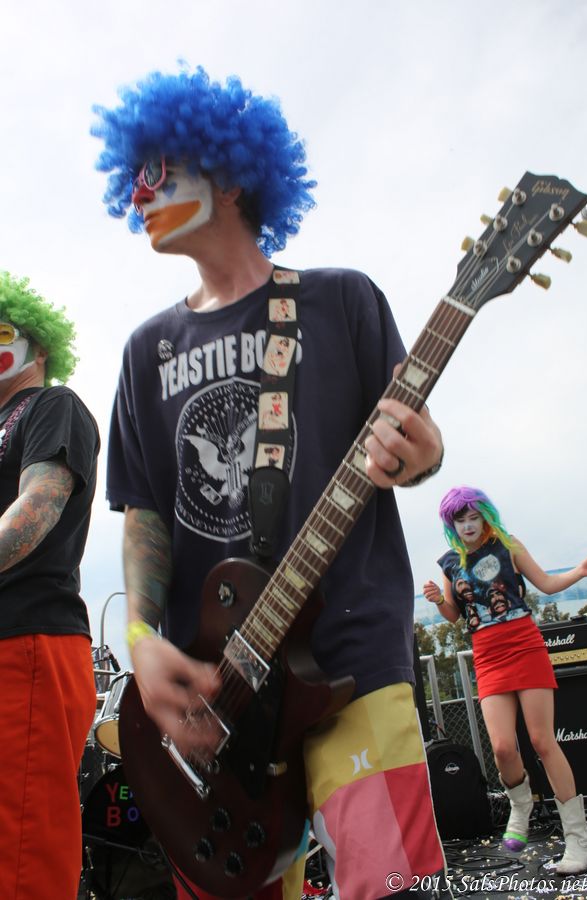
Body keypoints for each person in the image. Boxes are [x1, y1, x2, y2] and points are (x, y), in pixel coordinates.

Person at [92, 65, 447, 900]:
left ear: (230, 173)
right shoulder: (145, 352)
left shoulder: (342, 301)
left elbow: (419, 445)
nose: (138, 193)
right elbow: (143, 514)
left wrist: (424, 454)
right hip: (215, 698)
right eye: (131, 177)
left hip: (351, 652)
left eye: (159, 171)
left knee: (386, 883)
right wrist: (141, 640)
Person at [423, 485, 587, 876]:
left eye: (474, 517)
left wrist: (580, 571)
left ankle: (577, 839)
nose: (468, 525)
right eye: (460, 520)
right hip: (487, 656)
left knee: (541, 741)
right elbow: (454, 614)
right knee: (503, 748)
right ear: (451, 524)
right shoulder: (450, 562)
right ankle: (520, 805)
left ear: (485, 516)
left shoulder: (508, 545)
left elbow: (546, 584)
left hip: (524, 645)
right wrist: (438, 600)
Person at [0, 272, 100, 899]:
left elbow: (37, 507)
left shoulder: (50, 406)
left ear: (38, 348)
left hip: (26, 639)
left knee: (21, 856)